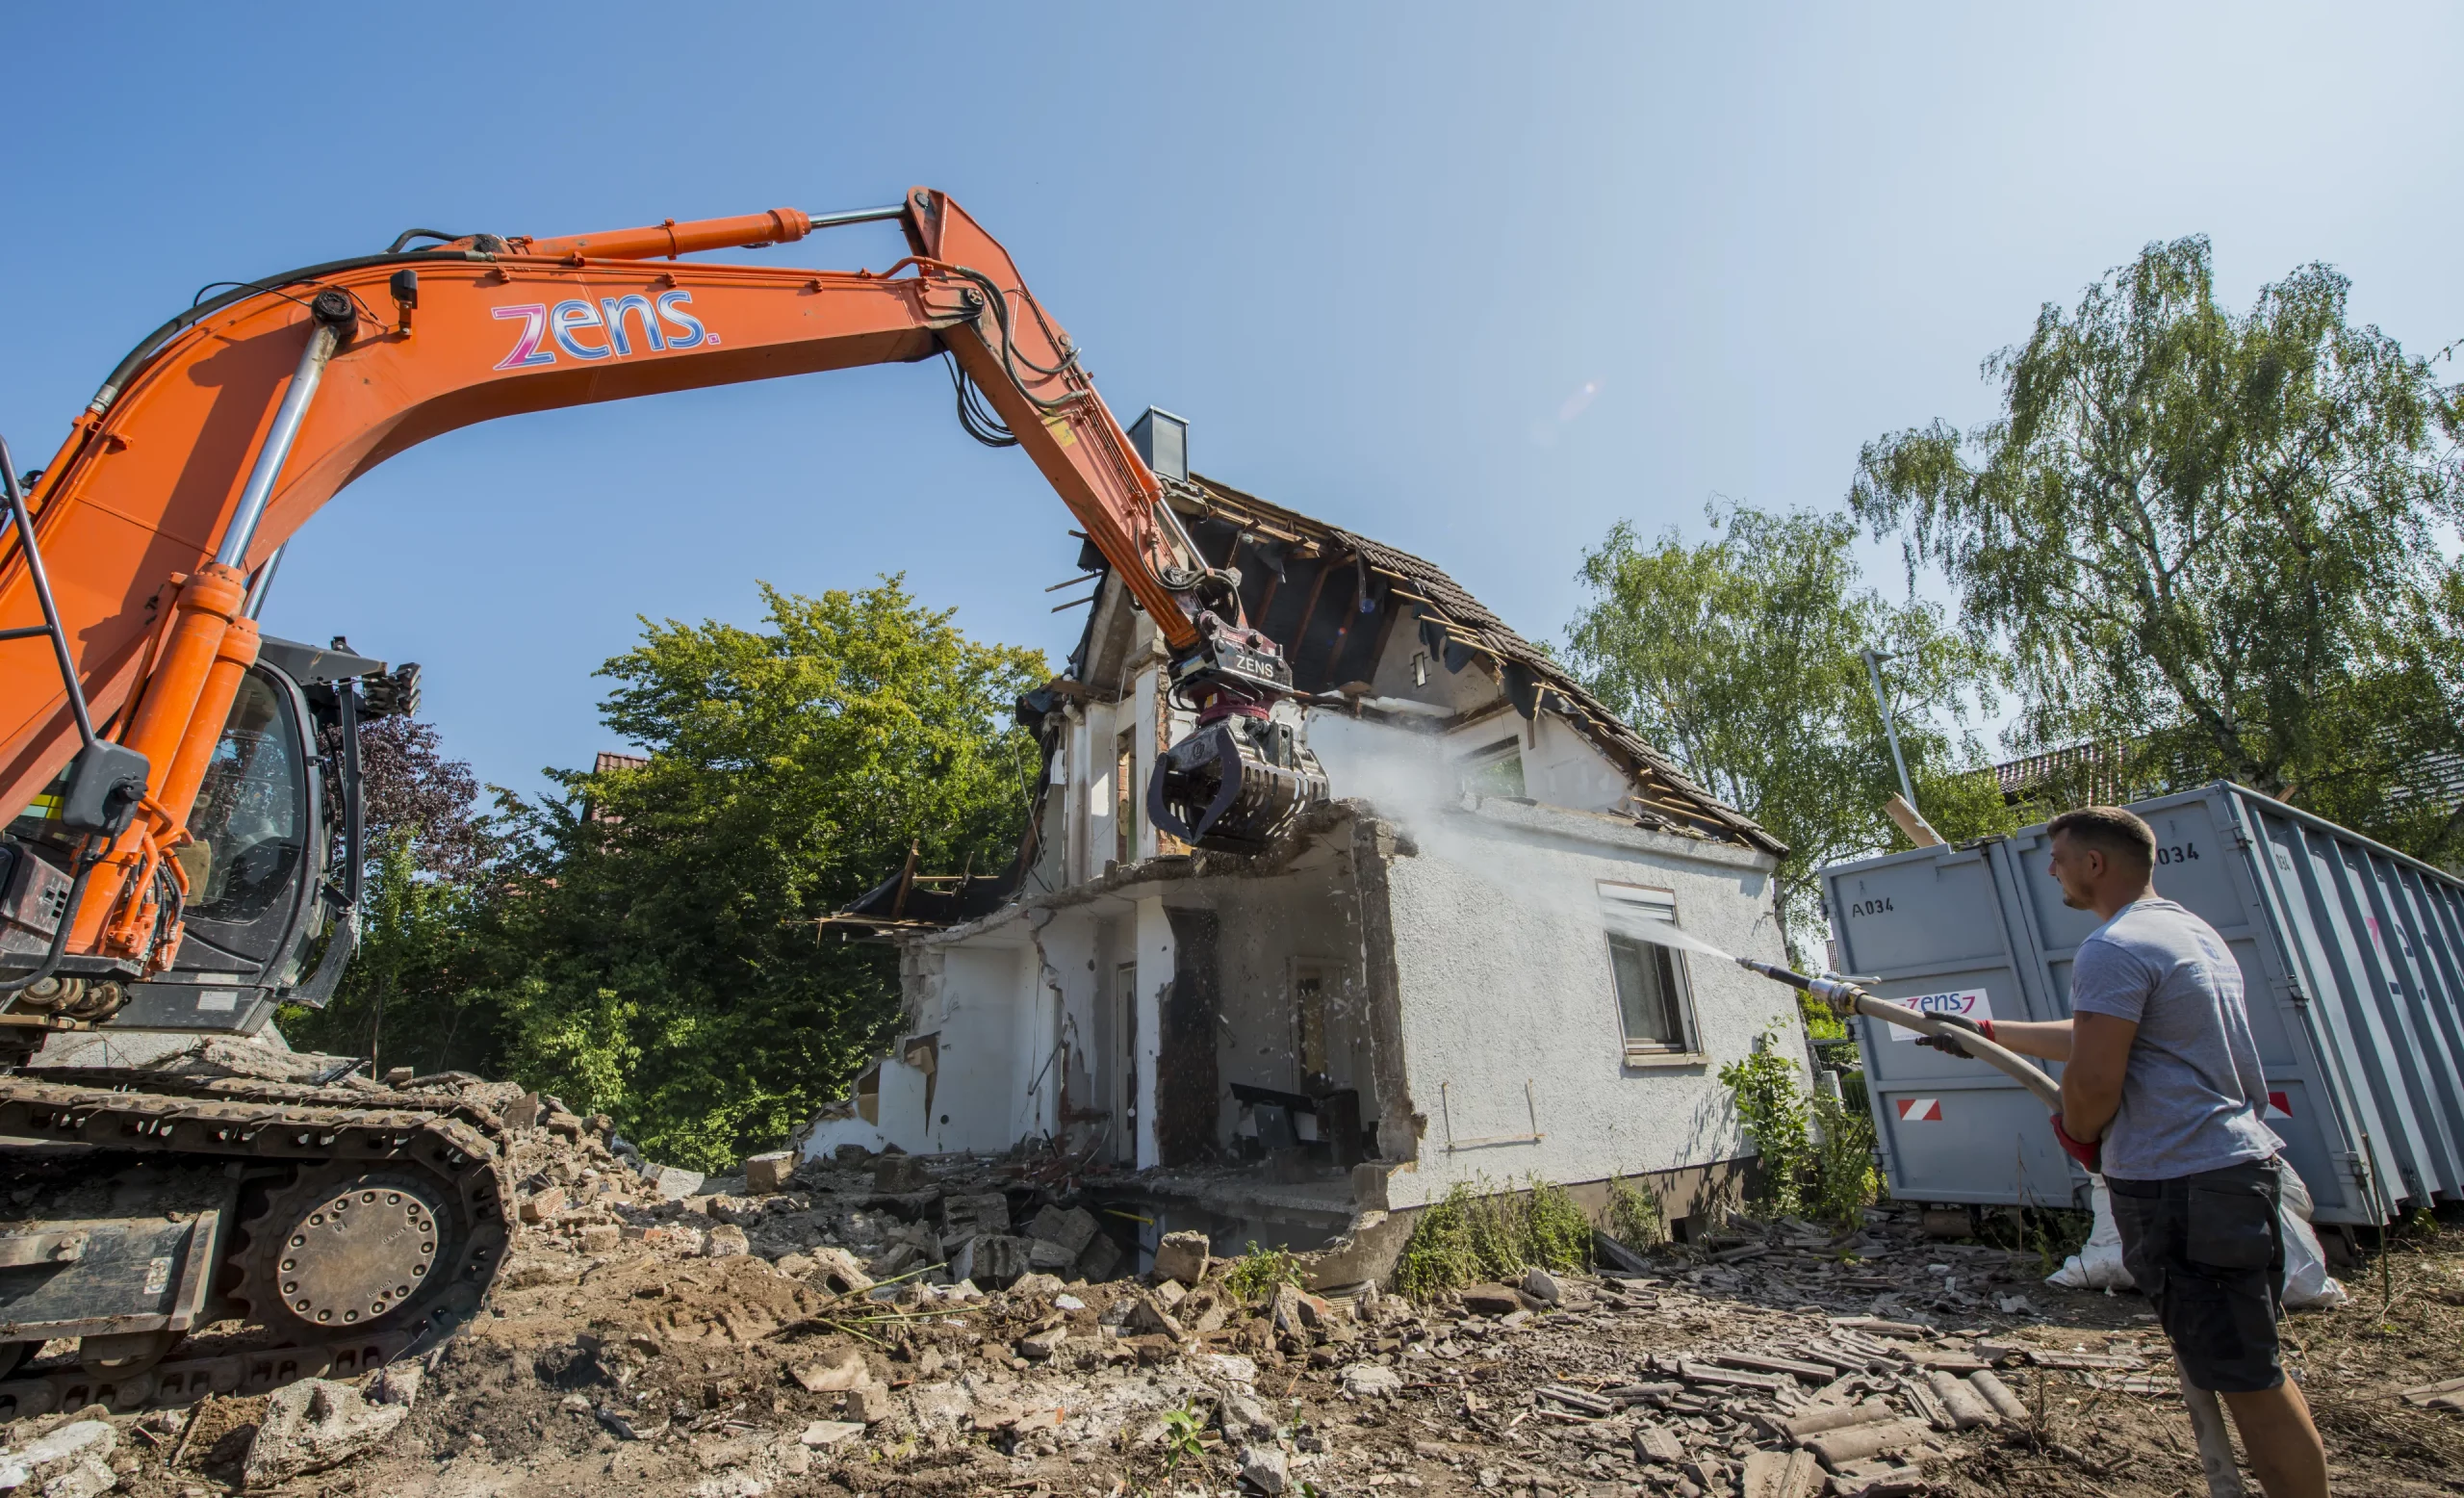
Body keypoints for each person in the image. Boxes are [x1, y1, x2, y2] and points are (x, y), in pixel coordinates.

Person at [1919, 806, 2329, 1498]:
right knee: (2236, 1365)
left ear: (2095, 863)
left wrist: (2080, 1131)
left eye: (2058, 858)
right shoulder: (2186, 932)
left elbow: (2097, 1075)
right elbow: (2100, 1035)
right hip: (2226, 1173)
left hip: (2186, 1185)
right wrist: (1984, 1032)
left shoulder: (2110, 947)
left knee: (2248, 1378)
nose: (2051, 871)